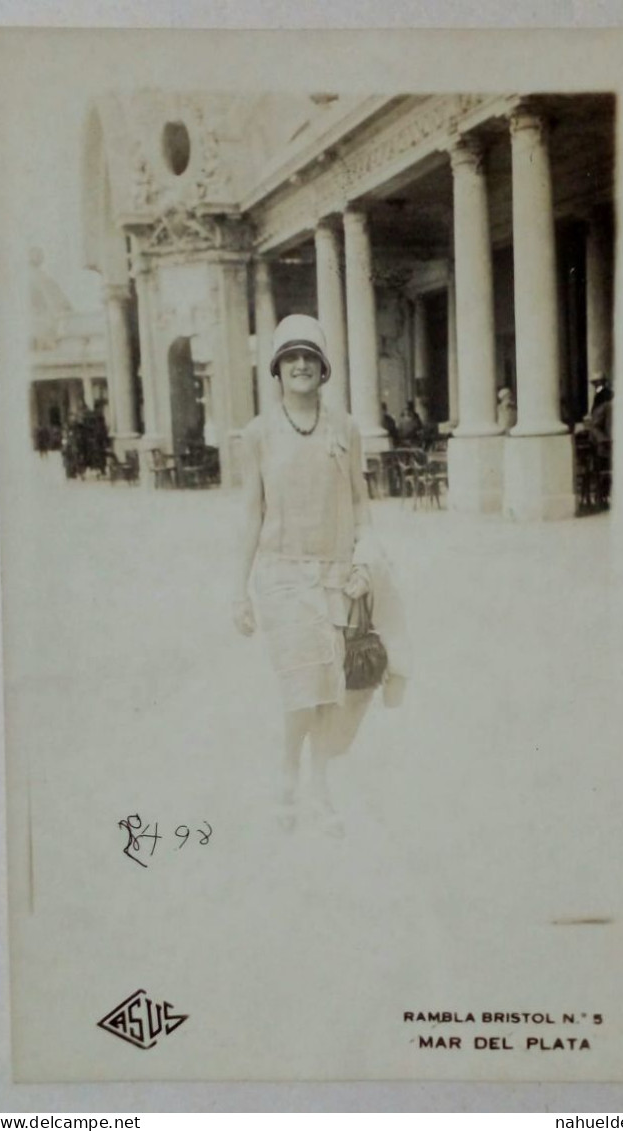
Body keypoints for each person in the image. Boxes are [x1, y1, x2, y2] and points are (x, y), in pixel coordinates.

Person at [232, 314, 408, 837]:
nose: (301, 365)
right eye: (291, 357)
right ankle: (293, 774)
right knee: (303, 685)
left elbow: (360, 502)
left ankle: (318, 781)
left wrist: (362, 563)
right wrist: (236, 591)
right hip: (282, 575)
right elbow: (250, 512)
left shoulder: (345, 428)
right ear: (278, 369)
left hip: (337, 576)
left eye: (310, 356)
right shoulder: (258, 434)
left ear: (324, 367)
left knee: (334, 689)